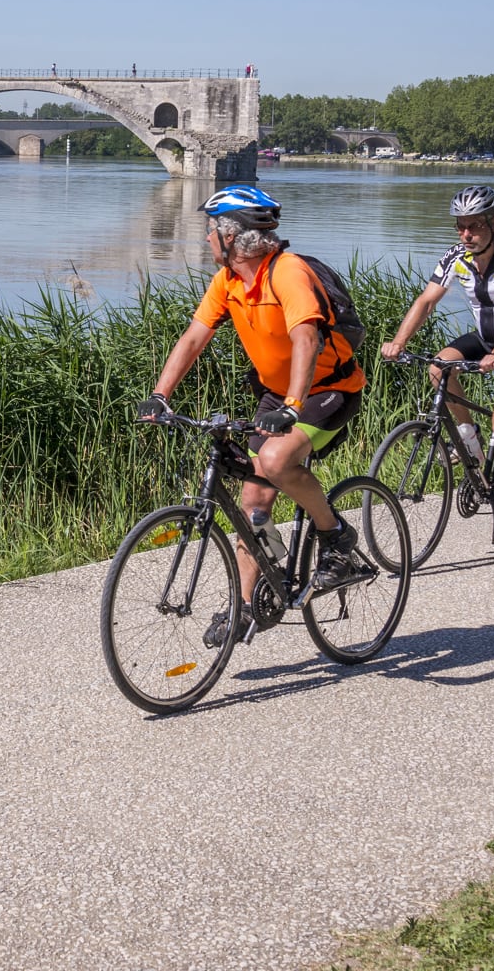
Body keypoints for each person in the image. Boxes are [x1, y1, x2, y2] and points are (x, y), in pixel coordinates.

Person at [137, 184, 367, 644]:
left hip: (326, 390)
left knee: (277, 461)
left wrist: (293, 407)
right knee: (253, 505)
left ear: (232, 236)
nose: (205, 240)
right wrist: (160, 395)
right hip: (276, 394)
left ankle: (337, 539)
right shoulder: (228, 281)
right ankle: (245, 606)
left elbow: (307, 339)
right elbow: (193, 338)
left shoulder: (288, 272)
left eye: (210, 231)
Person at [379, 185, 494, 546]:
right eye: (460, 226)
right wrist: (399, 341)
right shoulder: (455, 257)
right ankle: (469, 441)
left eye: (474, 226)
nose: (466, 234)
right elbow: (427, 301)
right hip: (486, 337)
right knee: (439, 367)